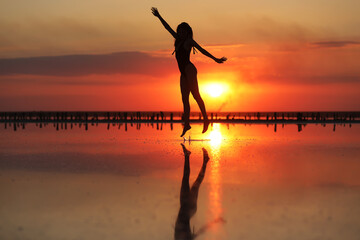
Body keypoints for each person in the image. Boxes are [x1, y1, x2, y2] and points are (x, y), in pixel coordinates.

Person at [151, 7, 227, 137]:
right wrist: (159, 16)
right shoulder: (177, 39)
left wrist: (215, 59)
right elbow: (167, 27)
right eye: (179, 31)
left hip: (189, 70)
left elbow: (202, 50)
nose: (181, 33)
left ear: (187, 32)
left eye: (183, 31)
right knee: (184, 100)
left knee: (196, 95)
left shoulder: (189, 41)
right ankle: (187, 124)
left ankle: (206, 119)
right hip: (183, 73)